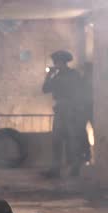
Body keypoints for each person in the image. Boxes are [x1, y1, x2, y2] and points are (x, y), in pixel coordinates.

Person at [42, 50, 89, 178]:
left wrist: (78, 110)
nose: (56, 64)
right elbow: (45, 89)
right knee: (57, 140)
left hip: (71, 110)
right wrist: (49, 75)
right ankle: (56, 168)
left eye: (57, 62)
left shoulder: (73, 75)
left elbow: (80, 93)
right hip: (61, 109)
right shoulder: (57, 75)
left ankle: (75, 167)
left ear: (63, 62)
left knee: (72, 140)